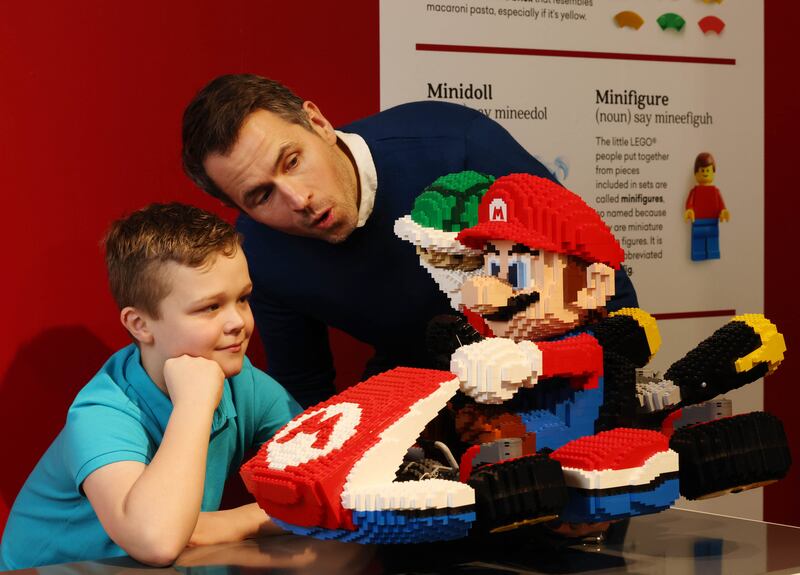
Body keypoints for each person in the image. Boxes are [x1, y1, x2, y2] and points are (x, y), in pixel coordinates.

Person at [181, 74, 638, 408]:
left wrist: (611, 405)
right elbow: (304, 388)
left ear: (318, 122)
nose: (297, 199)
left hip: (556, 374)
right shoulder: (261, 254)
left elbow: (599, 271)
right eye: (261, 195)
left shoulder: (455, 147)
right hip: (423, 399)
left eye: (293, 160)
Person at [0, 204, 301, 570]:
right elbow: (157, 540)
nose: (237, 321)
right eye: (209, 307)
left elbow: (335, 477)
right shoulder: (101, 414)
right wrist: (194, 405)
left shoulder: (243, 382)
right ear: (141, 325)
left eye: (243, 298)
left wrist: (220, 524)